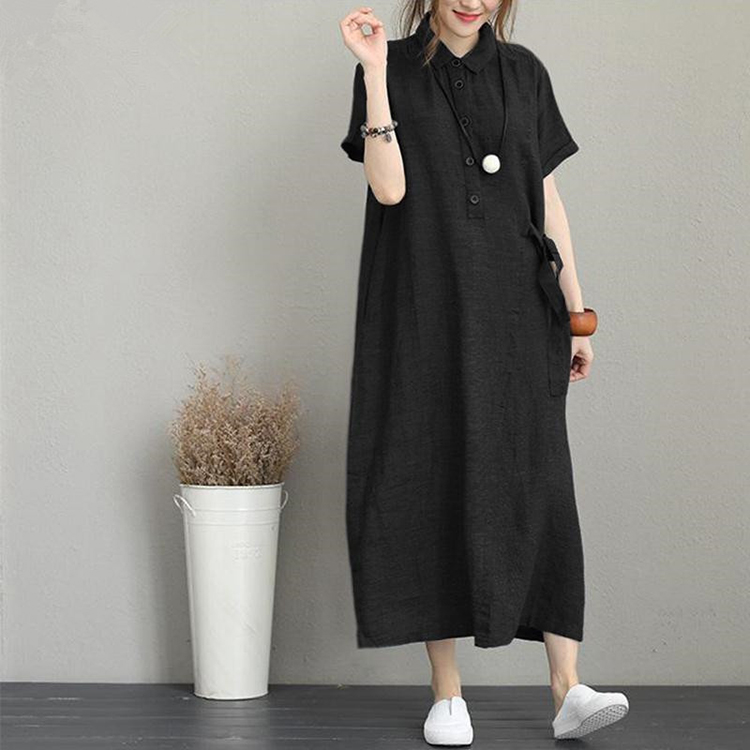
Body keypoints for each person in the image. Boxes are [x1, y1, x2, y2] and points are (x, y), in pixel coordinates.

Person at [338, 2, 629, 743]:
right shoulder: (390, 70)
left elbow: (546, 196)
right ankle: (447, 694)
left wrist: (576, 311)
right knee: (428, 473)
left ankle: (567, 688)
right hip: (423, 308)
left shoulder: (525, 73)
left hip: (520, 307)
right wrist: (373, 75)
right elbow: (388, 189)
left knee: (540, 479)